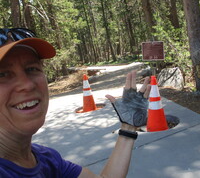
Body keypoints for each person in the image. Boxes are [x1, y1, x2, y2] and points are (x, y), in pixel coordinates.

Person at [0, 28, 150, 177]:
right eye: (3, 74)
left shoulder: (47, 159)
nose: (27, 85)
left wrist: (128, 128)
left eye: (31, 69)